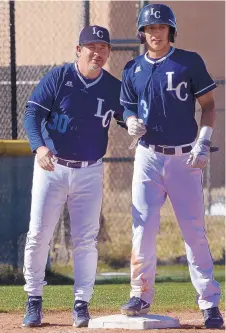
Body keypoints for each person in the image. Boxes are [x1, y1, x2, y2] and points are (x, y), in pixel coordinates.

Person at [120, 4, 224, 329]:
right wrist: (130, 120)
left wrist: (203, 141)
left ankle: (209, 304)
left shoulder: (188, 62)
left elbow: (208, 106)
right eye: (150, 28)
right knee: (143, 228)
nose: (155, 33)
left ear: (171, 31)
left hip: (184, 158)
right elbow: (126, 109)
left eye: (161, 27)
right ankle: (140, 294)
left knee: (193, 232)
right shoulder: (132, 68)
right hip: (148, 156)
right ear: (142, 33)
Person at [23, 25, 125, 328]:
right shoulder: (59, 77)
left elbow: (128, 116)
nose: (98, 52)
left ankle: (81, 304)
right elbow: (32, 113)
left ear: (108, 53)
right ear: (78, 50)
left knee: (85, 240)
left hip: (90, 171)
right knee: (38, 235)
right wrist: (38, 147)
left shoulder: (113, 87)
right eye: (91, 46)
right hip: (51, 167)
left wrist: (135, 124)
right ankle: (33, 300)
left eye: (103, 47)